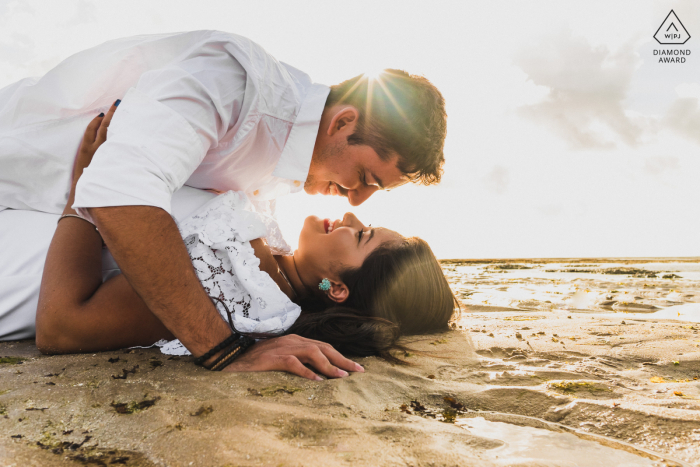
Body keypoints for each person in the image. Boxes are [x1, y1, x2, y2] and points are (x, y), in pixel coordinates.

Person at [0, 31, 447, 374]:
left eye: (366, 226)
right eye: (366, 178)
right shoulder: (236, 81)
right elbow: (122, 190)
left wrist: (224, 351)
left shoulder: (251, 284)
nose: (357, 202)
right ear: (343, 123)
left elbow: (67, 318)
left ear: (338, 288)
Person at [35, 108, 457, 380]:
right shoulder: (263, 253)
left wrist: (85, 194)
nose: (350, 215)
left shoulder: (239, 283)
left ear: (338, 288)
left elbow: (62, 325)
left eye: (361, 235)